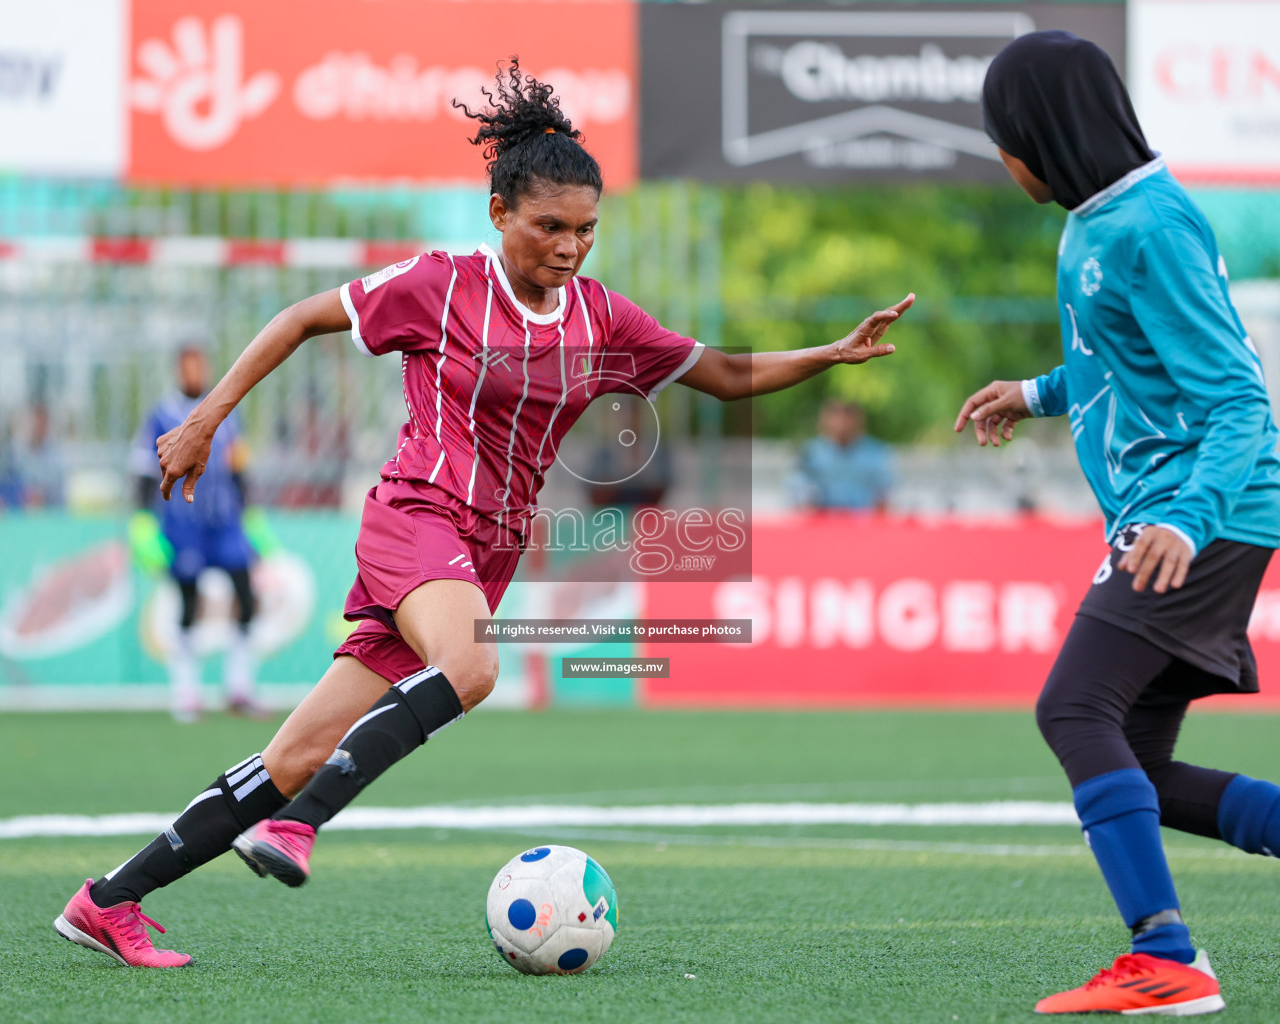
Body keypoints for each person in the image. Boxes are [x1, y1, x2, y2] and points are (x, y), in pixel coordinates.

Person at [53, 60, 914, 968]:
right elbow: (302, 318)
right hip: (416, 516)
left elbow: (727, 372)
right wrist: (205, 419)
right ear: (500, 213)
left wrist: (832, 352)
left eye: (585, 230)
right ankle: (300, 830)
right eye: (549, 226)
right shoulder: (440, 284)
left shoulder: (603, 318)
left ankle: (109, 901)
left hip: (485, 553)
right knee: (472, 668)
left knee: (300, 751)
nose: (570, 246)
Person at [957, 31, 1280, 1016]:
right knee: (1137, 762)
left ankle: (1167, 954)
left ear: (1044, 135)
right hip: (1181, 512)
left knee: (1071, 710)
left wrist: (1188, 518)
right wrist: (1034, 389)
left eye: (1003, 140)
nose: (1005, 160)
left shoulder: (1151, 224)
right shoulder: (1100, 222)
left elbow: (1239, 400)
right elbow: (1128, 360)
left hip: (1202, 513)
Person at [128, 345, 262, 722]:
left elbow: (238, 466)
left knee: (247, 595)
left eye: (200, 364)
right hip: (183, 523)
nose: (195, 372)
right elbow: (142, 469)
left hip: (226, 521)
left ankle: (239, 685)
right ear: (177, 370)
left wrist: (249, 516)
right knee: (189, 602)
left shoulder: (226, 411)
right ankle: (186, 690)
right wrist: (142, 522)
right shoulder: (161, 415)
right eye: (188, 365)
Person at [793, 398, 894, 511]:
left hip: (864, 524)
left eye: (848, 413)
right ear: (824, 418)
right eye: (835, 412)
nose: (841, 419)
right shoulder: (811, 453)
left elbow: (885, 496)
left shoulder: (876, 452)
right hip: (822, 523)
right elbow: (800, 493)